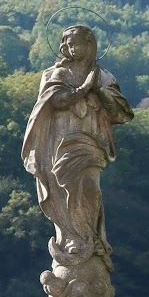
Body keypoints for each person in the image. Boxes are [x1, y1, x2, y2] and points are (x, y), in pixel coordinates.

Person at [22, 25, 133, 264]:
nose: (73, 49)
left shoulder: (104, 77)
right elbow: (57, 101)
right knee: (62, 190)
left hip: (91, 141)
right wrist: (84, 89)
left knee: (88, 188)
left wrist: (99, 90)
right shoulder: (56, 74)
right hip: (60, 142)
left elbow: (123, 113)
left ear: (90, 45)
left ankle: (89, 239)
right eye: (69, 44)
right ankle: (72, 238)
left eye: (78, 44)